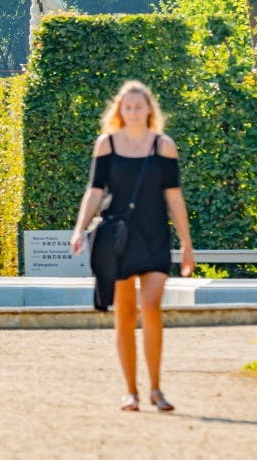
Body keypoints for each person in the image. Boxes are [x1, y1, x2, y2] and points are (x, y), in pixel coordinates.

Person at [69, 81, 193, 412]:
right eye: (129, 107)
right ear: (120, 111)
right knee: (124, 313)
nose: (135, 111)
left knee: (151, 305)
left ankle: (156, 389)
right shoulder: (106, 144)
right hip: (118, 238)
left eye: (140, 106)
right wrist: (79, 229)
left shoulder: (164, 146)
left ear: (149, 109)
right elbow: (94, 191)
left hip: (154, 236)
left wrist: (187, 243)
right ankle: (130, 392)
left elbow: (174, 197)